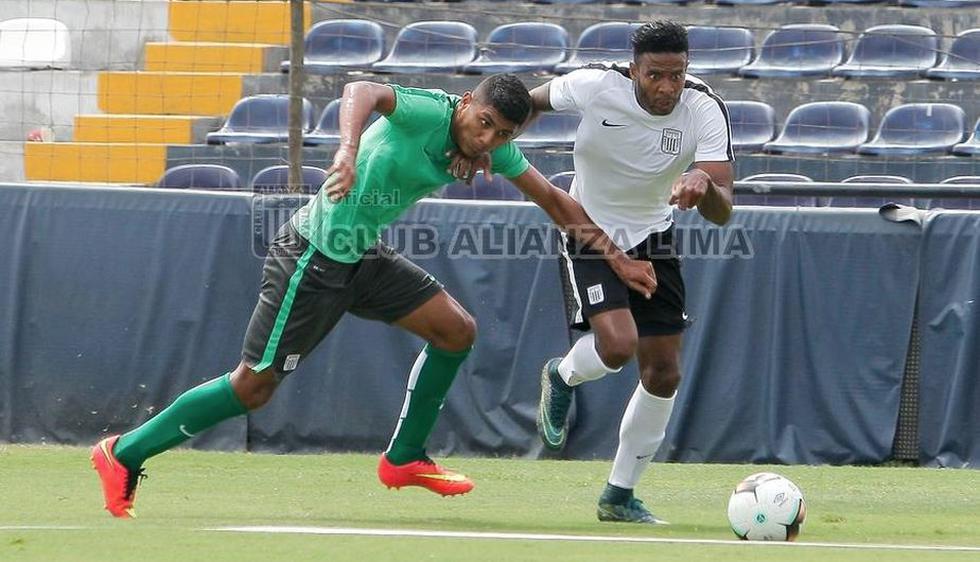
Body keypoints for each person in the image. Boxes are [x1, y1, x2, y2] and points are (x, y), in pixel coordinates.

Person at [90, 73, 657, 518]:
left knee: (455, 331)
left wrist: (617, 257)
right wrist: (345, 150)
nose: (487, 139)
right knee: (254, 386)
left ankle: (404, 458)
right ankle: (124, 452)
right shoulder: (430, 110)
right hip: (312, 256)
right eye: (483, 124)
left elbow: (556, 204)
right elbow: (361, 90)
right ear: (465, 102)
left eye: (502, 134)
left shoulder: (487, 147)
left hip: (361, 257)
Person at [531, 21, 735, 524]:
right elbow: (527, 102)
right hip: (588, 226)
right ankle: (561, 375)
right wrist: (492, 143)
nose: (667, 87)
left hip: (654, 235)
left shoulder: (705, 108)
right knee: (618, 347)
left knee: (664, 371)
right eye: (655, 75)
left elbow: (723, 208)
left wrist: (702, 184)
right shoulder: (596, 84)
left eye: (677, 75)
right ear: (633, 68)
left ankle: (619, 495)